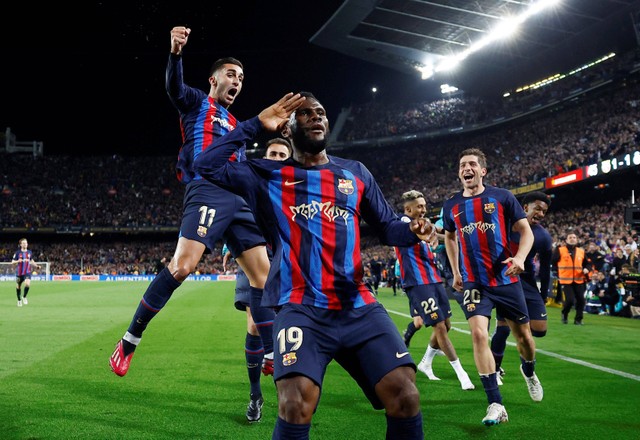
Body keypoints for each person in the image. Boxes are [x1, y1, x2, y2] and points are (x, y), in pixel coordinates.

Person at [194, 92, 429, 439]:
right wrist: (255, 124)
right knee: (295, 404)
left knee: (406, 396)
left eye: (320, 112)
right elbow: (205, 165)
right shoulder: (266, 175)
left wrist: (412, 229)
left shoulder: (355, 173)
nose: (316, 117)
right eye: (304, 114)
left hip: (358, 307)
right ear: (287, 129)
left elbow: (388, 226)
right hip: (301, 307)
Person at [109, 26, 274, 379]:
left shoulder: (235, 123)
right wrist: (175, 53)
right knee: (182, 266)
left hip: (238, 200)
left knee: (263, 278)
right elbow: (173, 88)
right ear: (214, 80)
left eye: (242, 77)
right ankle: (129, 339)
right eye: (231, 74)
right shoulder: (198, 102)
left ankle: (272, 350)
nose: (238, 81)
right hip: (208, 188)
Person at [442, 148, 543, 426]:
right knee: (477, 334)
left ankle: (529, 370)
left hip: (506, 278)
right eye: (463, 165)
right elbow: (449, 237)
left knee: (524, 337)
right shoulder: (451, 204)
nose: (467, 168)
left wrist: (521, 258)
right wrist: (455, 270)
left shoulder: (502, 197)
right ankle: (495, 403)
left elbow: (526, 231)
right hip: (475, 282)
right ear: (459, 172)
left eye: (473, 164)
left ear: (482, 171)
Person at [225, 136, 292, 422]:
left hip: (287, 262)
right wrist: (231, 246)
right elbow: (233, 212)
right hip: (253, 257)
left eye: (281, 155)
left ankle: (288, 393)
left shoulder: (296, 186)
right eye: (272, 153)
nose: (276, 158)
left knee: (289, 327)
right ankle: (255, 395)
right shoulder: (249, 180)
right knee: (254, 325)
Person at [394, 190, 475, 390]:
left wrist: (453, 237)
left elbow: (435, 235)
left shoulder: (424, 224)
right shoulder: (401, 223)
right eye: (419, 206)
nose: (423, 209)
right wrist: (441, 233)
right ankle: (461, 374)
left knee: (446, 325)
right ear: (407, 209)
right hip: (417, 283)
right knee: (439, 327)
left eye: (424, 205)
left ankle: (426, 362)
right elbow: (420, 230)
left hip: (434, 279)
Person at [489, 191, 552, 385]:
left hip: (527, 282)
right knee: (503, 328)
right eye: (538, 209)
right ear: (525, 208)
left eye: (544, 211)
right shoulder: (504, 223)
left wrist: (542, 295)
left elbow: (546, 269)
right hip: (505, 280)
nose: (541, 214)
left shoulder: (542, 236)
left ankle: (522, 347)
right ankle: (495, 369)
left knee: (540, 329)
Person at [552, 231, 589, 325]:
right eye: (570, 237)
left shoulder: (581, 251)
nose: (572, 239)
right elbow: (553, 262)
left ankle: (578, 319)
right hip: (565, 280)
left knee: (581, 300)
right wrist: (557, 273)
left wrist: (586, 269)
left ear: (577, 240)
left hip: (579, 279)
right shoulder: (560, 250)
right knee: (570, 300)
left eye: (574, 237)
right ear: (566, 240)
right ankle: (564, 314)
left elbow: (588, 263)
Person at [12, 238, 39, 307]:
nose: (25, 244)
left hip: (27, 272)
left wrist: (36, 266)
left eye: (26, 243)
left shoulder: (29, 252)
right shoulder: (17, 253)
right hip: (19, 273)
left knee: (27, 284)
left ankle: (24, 297)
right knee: (18, 287)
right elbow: (12, 262)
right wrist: (18, 261)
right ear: (21, 244)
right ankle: (19, 300)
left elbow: (31, 260)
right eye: (23, 243)